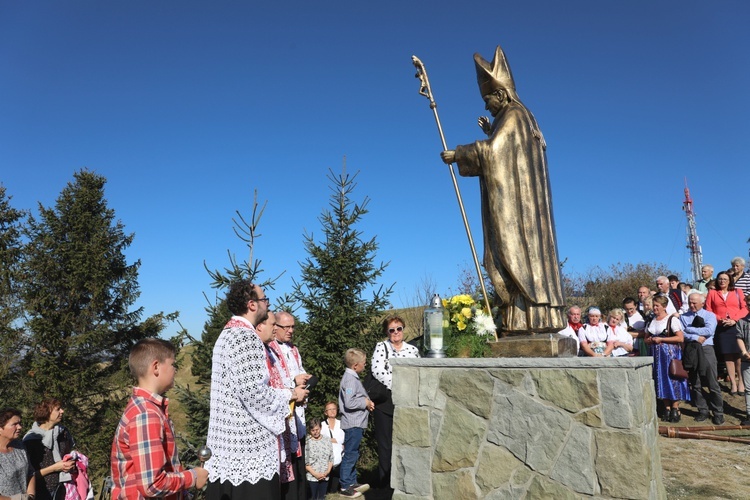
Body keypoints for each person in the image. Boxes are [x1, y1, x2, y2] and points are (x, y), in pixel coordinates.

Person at [439, 45, 565, 334]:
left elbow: (496, 153)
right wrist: (489, 132)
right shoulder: (522, 117)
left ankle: (531, 318)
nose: (486, 106)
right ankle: (525, 319)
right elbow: (510, 152)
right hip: (527, 206)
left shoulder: (513, 116)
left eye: (488, 99)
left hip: (519, 211)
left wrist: (458, 153)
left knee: (512, 248)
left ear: (501, 94)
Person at [205, 281, 308, 500]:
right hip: (248, 449)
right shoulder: (246, 337)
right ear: (252, 305)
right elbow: (256, 394)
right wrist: (290, 394)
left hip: (232, 447)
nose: (267, 303)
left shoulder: (228, 333)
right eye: (264, 299)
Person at [110, 338, 207, 499]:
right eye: (172, 364)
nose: (175, 370)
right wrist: (193, 477)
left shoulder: (147, 409)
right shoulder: (146, 415)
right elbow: (152, 484)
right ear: (156, 367)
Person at [370, 315, 420, 489]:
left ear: (403, 329)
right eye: (392, 329)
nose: (396, 332)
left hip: (408, 400)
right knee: (385, 444)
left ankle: (406, 479)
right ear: (387, 332)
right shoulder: (381, 347)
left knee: (407, 440)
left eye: (399, 328)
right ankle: (386, 482)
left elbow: (418, 370)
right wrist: (397, 384)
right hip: (386, 403)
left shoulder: (412, 350)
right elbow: (377, 371)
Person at [269, 311, 308, 500]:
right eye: (287, 327)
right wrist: (294, 381)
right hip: (284, 417)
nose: (291, 330)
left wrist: (304, 382)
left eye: (293, 326)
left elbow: (300, 371)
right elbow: (273, 383)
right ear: (275, 327)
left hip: (298, 415)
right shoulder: (270, 349)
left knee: (299, 468)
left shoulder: (293, 349)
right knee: (287, 469)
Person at [679, 293, 723, 424]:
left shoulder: (710, 315)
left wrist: (690, 329)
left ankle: (718, 412)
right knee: (695, 383)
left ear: (702, 303)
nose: (692, 305)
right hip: (691, 350)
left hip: (706, 349)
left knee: (712, 382)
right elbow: (682, 334)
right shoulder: (683, 317)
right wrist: (695, 337)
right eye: (690, 302)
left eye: (694, 303)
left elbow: (709, 331)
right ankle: (702, 410)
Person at [645, 296, 690, 422]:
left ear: (664, 306)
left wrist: (662, 339)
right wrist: (649, 340)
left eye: (657, 306)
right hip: (655, 354)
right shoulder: (652, 320)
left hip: (670, 354)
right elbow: (646, 338)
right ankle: (667, 408)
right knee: (660, 379)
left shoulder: (671, 320)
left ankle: (676, 408)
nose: (655, 308)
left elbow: (680, 338)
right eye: (654, 305)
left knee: (672, 378)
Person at [705, 271, 749, 396]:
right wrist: (720, 319)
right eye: (720, 279)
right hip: (722, 326)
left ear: (729, 280)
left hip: (737, 325)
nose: (722, 281)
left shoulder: (737, 291)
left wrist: (734, 319)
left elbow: (745, 307)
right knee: (728, 356)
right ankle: (733, 384)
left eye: (725, 279)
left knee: (739, 355)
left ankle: (741, 382)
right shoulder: (712, 293)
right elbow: (709, 309)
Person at [23, 399, 76, 500]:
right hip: (43, 491)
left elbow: (67, 454)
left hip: (64, 488)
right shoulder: (31, 440)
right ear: (46, 413)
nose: (62, 411)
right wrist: (54, 468)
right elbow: (28, 475)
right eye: (58, 409)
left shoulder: (63, 433)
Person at [338, 348, 373, 498]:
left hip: (356, 423)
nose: (365, 366)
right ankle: (346, 485)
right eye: (364, 363)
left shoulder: (352, 377)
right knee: (350, 454)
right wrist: (364, 402)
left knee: (353, 453)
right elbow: (350, 402)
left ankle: (352, 482)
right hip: (353, 423)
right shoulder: (350, 380)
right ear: (355, 366)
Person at [0, 408, 35, 500]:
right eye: (14, 424)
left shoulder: (19, 445)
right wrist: (16, 499)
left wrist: (30, 495)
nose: (19, 427)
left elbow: (30, 472)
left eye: (19, 423)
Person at [304, 418, 332, 500]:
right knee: (313, 497)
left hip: (325, 475)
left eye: (317, 429)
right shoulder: (307, 442)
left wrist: (327, 472)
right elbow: (306, 463)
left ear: (320, 428)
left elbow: (331, 458)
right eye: (313, 430)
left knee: (322, 497)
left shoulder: (327, 440)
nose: (315, 432)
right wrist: (315, 474)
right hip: (312, 477)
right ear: (309, 430)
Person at [320, 402, 344, 494]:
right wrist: (334, 440)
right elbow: (321, 440)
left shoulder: (342, 423)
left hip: (340, 457)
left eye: (334, 408)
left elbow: (343, 439)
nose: (332, 411)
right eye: (330, 409)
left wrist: (332, 440)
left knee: (334, 489)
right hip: (326, 459)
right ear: (325, 412)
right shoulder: (322, 425)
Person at [736, 312, 750, 426]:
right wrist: (744, 352)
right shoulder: (742, 322)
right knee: (748, 389)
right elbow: (739, 338)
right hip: (747, 360)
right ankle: (749, 414)